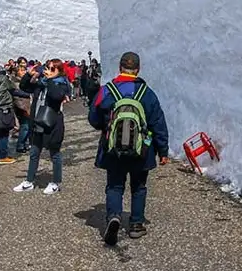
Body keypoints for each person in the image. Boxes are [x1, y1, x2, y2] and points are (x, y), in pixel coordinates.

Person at [88, 51, 169, 246]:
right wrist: (163, 151)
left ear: (120, 68)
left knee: (115, 185)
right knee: (139, 187)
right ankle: (136, 225)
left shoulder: (107, 90)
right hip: (142, 151)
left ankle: (114, 217)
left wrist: (107, 127)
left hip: (113, 149)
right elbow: (158, 123)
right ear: (138, 70)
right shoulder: (147, 93)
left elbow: (93, 118)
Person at [13, 59, 70, 195]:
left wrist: (49, 80)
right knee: (34, 152)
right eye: (47, 68)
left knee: (54, 154)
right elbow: (24, 87)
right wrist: (29, 75)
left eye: (52, 69)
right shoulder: (42, 83)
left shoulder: (61, 83)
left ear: (59, 71)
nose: (48, 71)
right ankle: (29, 181)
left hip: (53, 123)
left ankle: (55, 182)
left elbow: (56, 95)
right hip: (38, 122)